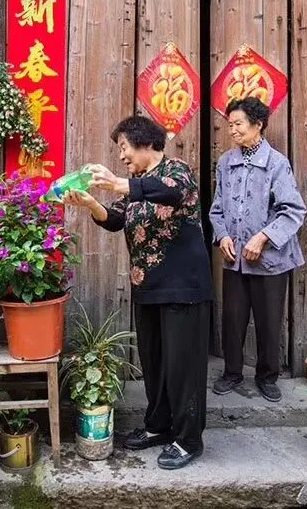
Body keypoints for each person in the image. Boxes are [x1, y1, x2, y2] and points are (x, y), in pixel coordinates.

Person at [63, 115, 212, 471]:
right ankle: (160, 427)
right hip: (147, 286)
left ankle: (189, 439)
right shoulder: (135, 184)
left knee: (182, 367)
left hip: (183, 288)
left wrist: (120, 184)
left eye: (125, 147)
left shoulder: (177, 171)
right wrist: (90, 204)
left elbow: (174, 194)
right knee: (155, 364)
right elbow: (116, 220)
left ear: (146, 143)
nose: (122, 156)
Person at [208, 97, 307, 402]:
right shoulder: (226, 163)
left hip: (271, 261)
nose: (233, 130)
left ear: (258, 125)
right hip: (235, 259)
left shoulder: (277, 163)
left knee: (268, 321)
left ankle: (267, 376)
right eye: (230, 125)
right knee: (233, 319)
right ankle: (232, 372)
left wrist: (263, 237)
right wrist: (222, 235)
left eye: (238, 124)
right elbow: (216, 209)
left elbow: (293, 210)